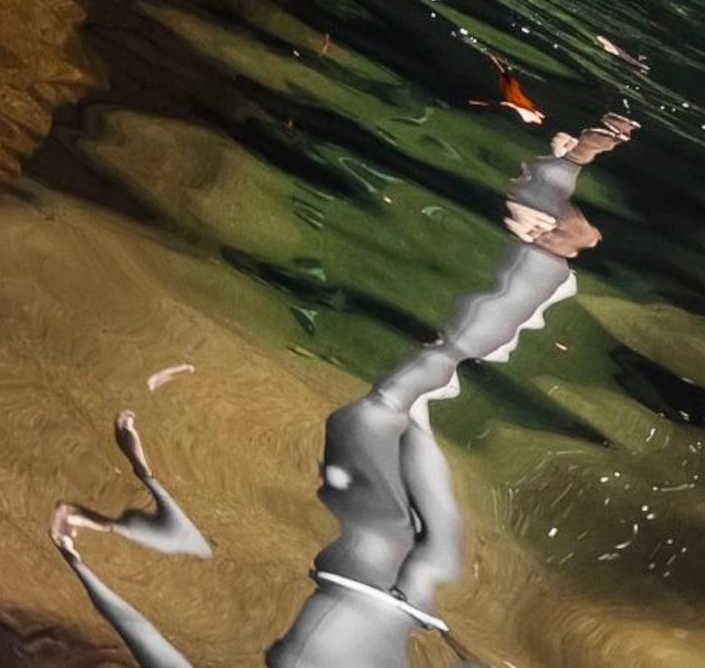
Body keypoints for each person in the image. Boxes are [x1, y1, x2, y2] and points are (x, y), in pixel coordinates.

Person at [48, 113, 637, 666]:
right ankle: (554, 193)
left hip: (393, 571)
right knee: (422, 392)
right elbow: (155, 641)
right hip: (401, 583)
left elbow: (155, 645)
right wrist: (87, 546)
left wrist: (88, 549)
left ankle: (558, 191)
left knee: (431, 377)